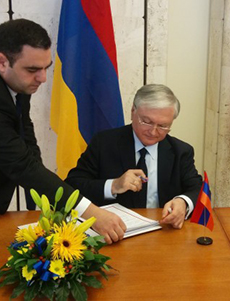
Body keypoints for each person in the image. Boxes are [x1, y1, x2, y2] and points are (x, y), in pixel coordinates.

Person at [0, 19, 126, 244]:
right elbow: (21, 165)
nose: (42, 78)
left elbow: (25, 135)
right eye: (33, 69)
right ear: (2, 61)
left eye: (46, 68)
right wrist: (90, 213)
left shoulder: (16, 80)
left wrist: (42, 204)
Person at [66, 84, 203, 229]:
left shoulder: (181, 151)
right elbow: (73, 185)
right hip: (113, 230)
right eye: (146, 122)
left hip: (162, 230)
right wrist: (113, 185)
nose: (153, 131)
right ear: (133, 112)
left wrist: (183, 202)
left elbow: (198, 189)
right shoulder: (104, 143)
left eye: (163, 126)